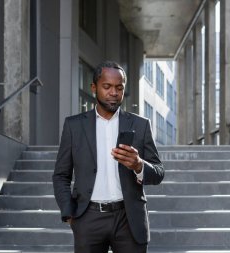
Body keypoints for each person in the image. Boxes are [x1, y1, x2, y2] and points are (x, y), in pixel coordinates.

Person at [52, 60, 165, 253]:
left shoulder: (140, 125)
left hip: (129, 219)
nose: (114, 92)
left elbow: (159, 172)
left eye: (119, 88)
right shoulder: (74, 126)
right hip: (88, 218)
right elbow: (61, 175)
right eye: (107, 87)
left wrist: (139, 165)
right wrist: (70, 213)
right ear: (94, 87)